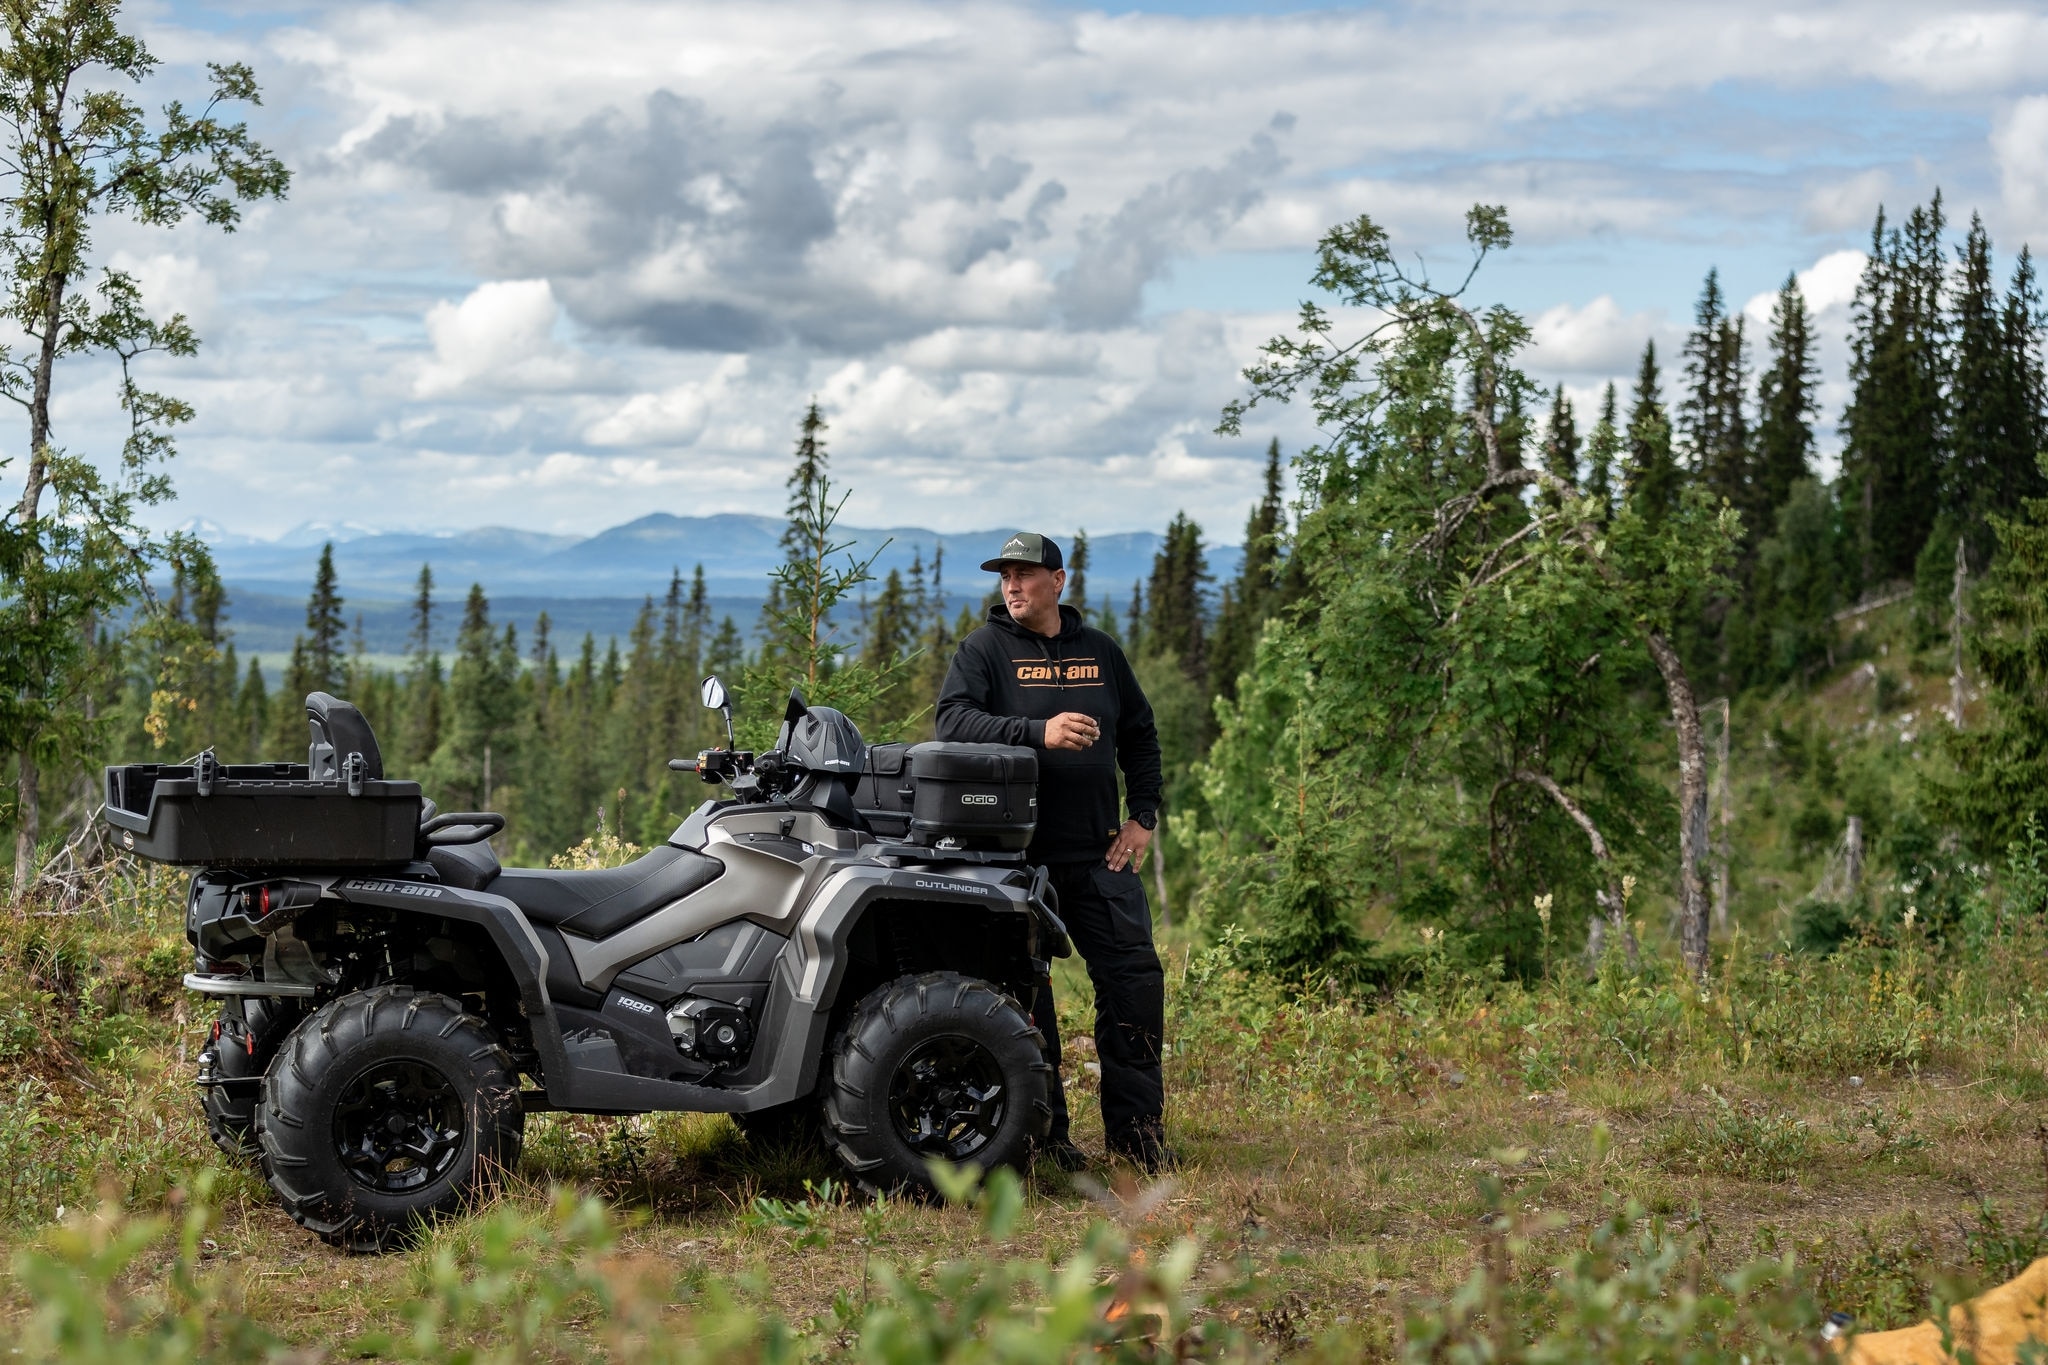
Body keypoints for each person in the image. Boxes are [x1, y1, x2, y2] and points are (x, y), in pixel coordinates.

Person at [935, 531, 1173, 1172]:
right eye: (1004, 575)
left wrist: (1142, 817)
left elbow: (1141, 736)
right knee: (1026, 1005)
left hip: (1100, 858)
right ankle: (1046, 1141)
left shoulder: (1100, 653)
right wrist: (1037, 732)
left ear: (1058, 581)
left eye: (1025, 574)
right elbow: (953, 723)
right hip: (1017, 863)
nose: (1012, 586)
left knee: (1133, 990)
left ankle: (1138, 1140)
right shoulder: (984, 650)